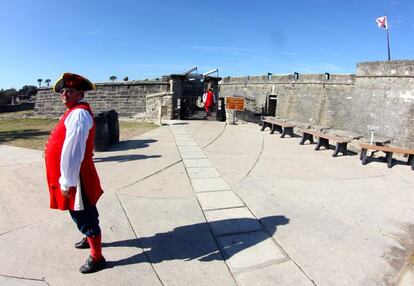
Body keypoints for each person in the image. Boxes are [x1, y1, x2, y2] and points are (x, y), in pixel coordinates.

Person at [44, 73, 106, 274]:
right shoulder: (73, 111)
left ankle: (97, 257)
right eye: (62, 91)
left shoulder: (78, 113)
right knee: (82, 214)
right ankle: (89, 238)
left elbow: (73, 151)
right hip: (75, 176)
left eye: (69, 91)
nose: (64, 94)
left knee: (85, 215)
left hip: (77, 178)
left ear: (80, 92)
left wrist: (67, 182)